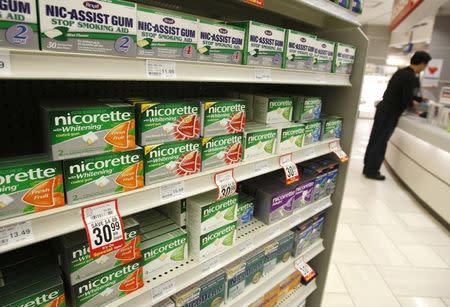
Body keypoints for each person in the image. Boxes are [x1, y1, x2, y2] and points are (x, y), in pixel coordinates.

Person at [363, 51, 431, 180]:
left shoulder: (401, 72)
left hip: (383, 109)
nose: (425, 68)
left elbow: (412, 95)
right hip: (390, 113)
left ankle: (368, 167)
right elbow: (408, 99)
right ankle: (372, 171)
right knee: (381, 141)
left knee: (375, 139)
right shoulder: (411, 77)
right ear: (422, 63)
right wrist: (418, 109)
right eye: (425, 65)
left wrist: (419, 100)